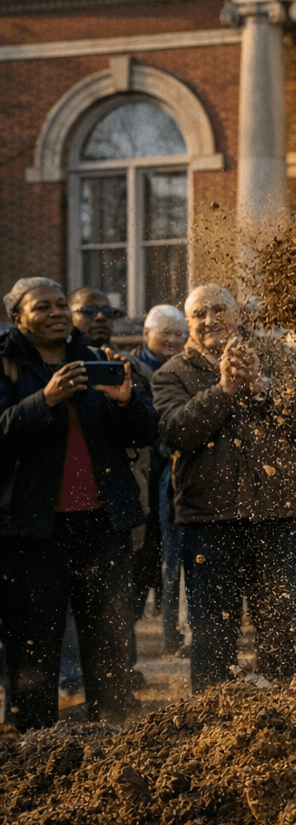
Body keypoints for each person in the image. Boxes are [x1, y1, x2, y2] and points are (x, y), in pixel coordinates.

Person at [0, 277, 155, 730]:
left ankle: (114, 734)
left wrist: (127, 403)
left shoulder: (96, 359)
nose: (56, 312)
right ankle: (36, 743)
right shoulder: (6, 365)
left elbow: (147, 431)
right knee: (35, 643)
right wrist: (44, 400)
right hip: (30, 531)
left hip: (101, 526)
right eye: (41, 306)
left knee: (108, 639)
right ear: (18, 318)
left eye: (60, 305)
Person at [151, 284, 296, 692]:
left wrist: (261, 386)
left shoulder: (279, 356)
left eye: (218, 310)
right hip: (209, 521)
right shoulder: (171, 373)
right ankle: (212, 723)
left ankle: (295, 711)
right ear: (188, 322)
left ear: (237, 314)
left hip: (280, 516)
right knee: (212, 634)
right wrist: (224, 389)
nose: (210, 320)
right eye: (199, 314)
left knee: (285, 630)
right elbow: (177, 432)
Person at [122, 304, 187, 663]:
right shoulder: (131, 369)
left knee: (172, 560)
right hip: (143, 480)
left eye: (180, 333)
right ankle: (127, 654)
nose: (173, 341)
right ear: (147, 334)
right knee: (141, 567)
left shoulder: (184, 367)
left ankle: (171, 637)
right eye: (166, 333)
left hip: (173, 479)